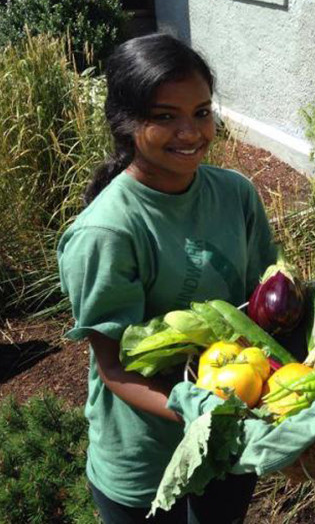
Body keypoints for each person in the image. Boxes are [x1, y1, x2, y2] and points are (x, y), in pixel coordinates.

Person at [58, 33, 276, 523]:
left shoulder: (236, 194)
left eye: (201, 112)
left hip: (230, 443)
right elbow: (116, 370)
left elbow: (261, 305)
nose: (191, 132)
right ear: (126, 122)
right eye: (164, 117)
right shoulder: (108, 232)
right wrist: (207, 415)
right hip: (146, 459)